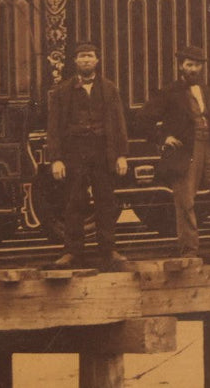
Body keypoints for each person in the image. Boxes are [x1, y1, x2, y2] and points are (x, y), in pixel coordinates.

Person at [136, 45, 210, 258]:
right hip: (185, 154)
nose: (193, 69)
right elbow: (143, 120)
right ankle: (189, 250)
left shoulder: (206, 91)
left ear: (202, 67)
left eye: (197, 65)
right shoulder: (168, 92)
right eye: (189, 64)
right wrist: (163, 138)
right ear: (181, 66)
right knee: (185, 201)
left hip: (209, 151)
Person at [47, 42, 130, 269]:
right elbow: (53, 128)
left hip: (103, 152)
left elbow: (119, 123)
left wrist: (121, 155)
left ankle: (109, 251)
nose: (86, 60)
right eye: (82, 57)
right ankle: (73, 253)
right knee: (74, 202)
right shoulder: (62, 91)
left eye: (90, 56)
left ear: (97, 60)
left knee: (106, 201)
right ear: (75, 61)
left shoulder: (109, 88)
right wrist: (56, 158)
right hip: (74, 152)